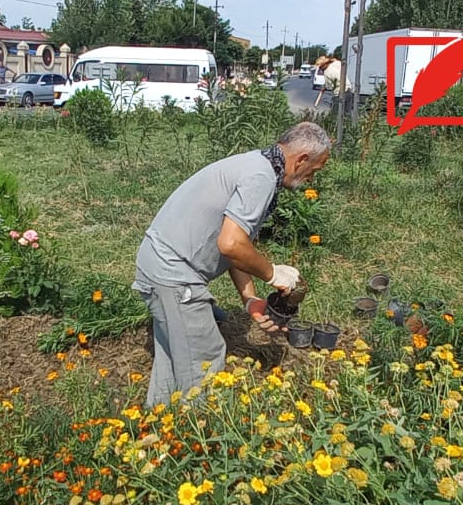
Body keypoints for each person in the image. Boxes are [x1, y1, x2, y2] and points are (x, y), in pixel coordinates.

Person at [132, 122, 332, 408]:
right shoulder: (261, 177)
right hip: (174, 273)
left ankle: (160, 423)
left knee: (175, 359)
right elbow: (231, 244)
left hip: (160, 266)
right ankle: (198, 428)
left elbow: (238, 245)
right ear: (301, 160)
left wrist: (250, 299)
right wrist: (272, 273)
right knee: (204, 358)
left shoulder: (257, 164)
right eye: (315, 170)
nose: (311, 178)